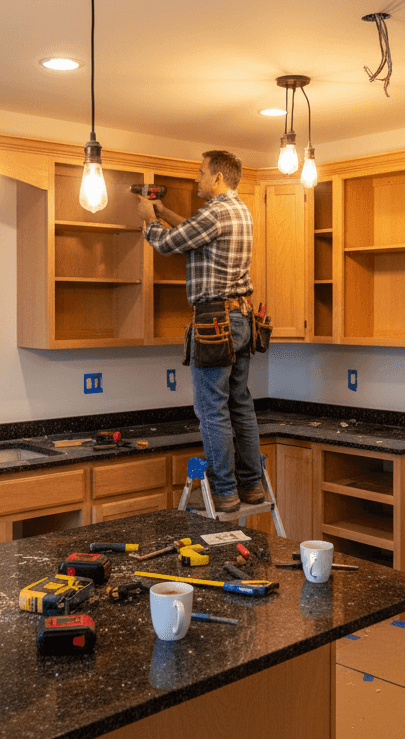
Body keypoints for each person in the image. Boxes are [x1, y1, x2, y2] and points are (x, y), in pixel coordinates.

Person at [137, 150, 264, 515]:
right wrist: (163, 212)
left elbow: (167, 244)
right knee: (239, 403)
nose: (197, 178)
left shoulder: (217, 211)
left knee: (211, 409)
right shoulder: (238, 210)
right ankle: (251, 486)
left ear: (219, 178)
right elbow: (193, 230)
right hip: (240, 318)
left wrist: (149, 222)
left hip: (214, 322)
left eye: (201, 172)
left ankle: (225, 491)